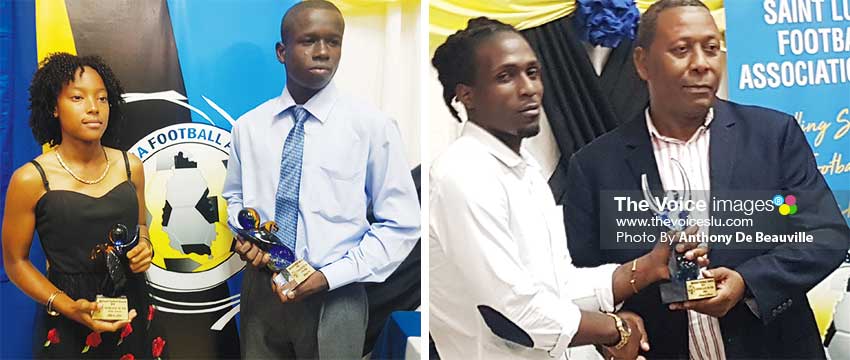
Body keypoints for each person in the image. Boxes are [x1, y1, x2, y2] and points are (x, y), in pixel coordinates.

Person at [564, 1, 850, 358]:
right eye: (681, 49)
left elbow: (826, 236)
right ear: (642, 62)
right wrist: (614, 329)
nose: (701, 63)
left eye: (712, 48)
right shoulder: (594, 166)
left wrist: (748, 284)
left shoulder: (772, 136)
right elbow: (581, 277)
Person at [428, 17, 708, 360]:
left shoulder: (526, 169)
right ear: (466, 95)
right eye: (505, 76)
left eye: (533, 72)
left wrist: (646, 268)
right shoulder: (463, 174)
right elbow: (510, 314)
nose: (528, 87)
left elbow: (557, 286)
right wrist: (614, 329)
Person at [221, 1, 420, 358]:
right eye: (309, 41)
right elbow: (235, 198)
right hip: (262, 291)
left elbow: (401, 224)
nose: (323, 52)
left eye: (334, 41)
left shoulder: (371, 127)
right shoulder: (249, 127)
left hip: (335, 294)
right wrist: (245, 235)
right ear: (282, 52)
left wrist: (330, 277)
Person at [2, 53, 154, 358]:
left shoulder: (131, 166)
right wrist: (67, 306)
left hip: (133, 311)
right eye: (77, 97)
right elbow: (15, 262)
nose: (94, 108)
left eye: (102, 98)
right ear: (54, 107)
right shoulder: (31, 179)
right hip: (68, 318)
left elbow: (140, 228)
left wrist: (145, 248)